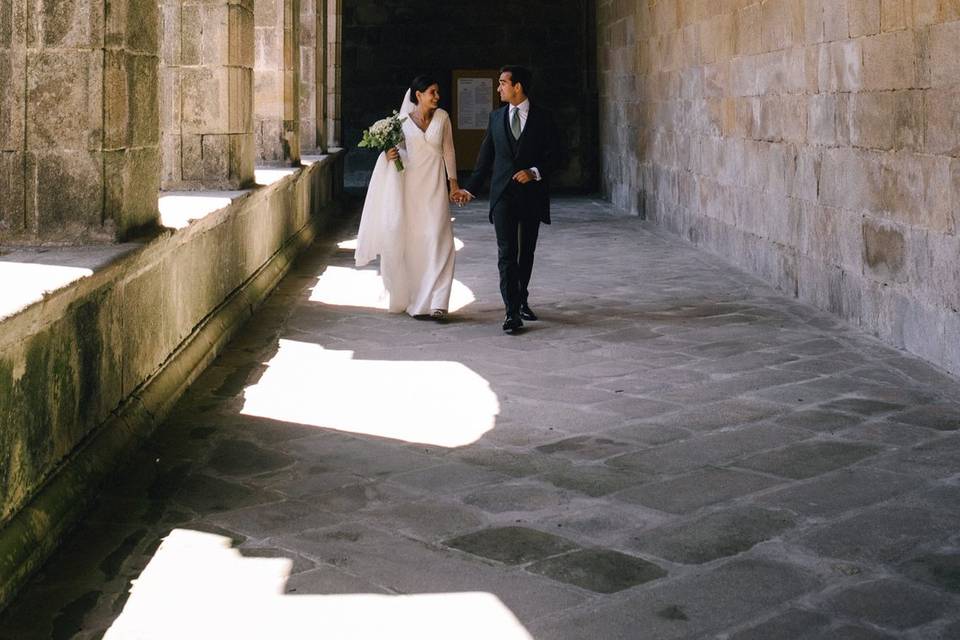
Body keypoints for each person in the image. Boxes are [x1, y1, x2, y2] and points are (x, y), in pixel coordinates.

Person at [454, 65, 559, 334]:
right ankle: (511, 312)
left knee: (527, 253)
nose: (498, 87)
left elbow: (558, 156)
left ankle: (522, 298)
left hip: (532, 196)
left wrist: (534, 172)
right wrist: (469, 190)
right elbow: (484, 160)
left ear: (518, 87)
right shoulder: (495, 118)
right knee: (506, 254)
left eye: (502, 83)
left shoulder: (544, 118)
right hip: (502, 197)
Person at [355, 75, 461, 320]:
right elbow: (398, 152)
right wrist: (389, 154)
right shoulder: (401, 122)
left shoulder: (443, 117)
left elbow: (448, 151)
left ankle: (438, 301)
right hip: (411, 187)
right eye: (432, 92)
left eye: (437, 92)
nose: (437, 96)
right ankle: (418, 298)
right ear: (418, 95)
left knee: (440, 238)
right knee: (415, 242)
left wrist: (453, 184)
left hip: (434, 184)